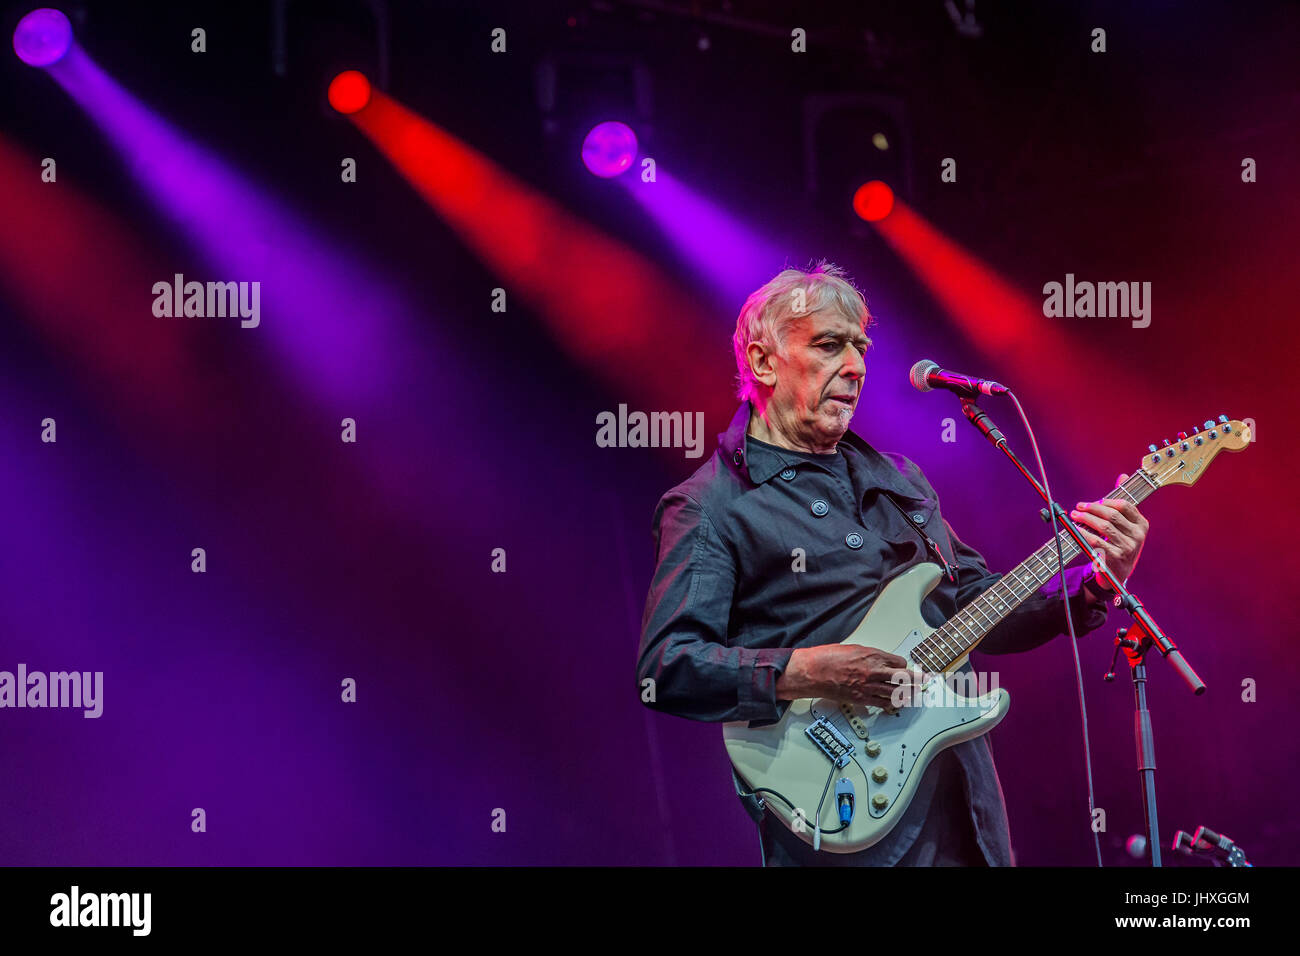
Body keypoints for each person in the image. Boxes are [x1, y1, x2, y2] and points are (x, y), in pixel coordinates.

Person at [636, 261, 1149, 866]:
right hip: (838, 821)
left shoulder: (900, 479)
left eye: (860, 347)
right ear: (764, 362)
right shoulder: (713, 504)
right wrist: (808, 671)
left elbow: (973, 602)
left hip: (964, 806)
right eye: (829, 345)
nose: (855, 365)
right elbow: (670, 667)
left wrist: (1094, 583)